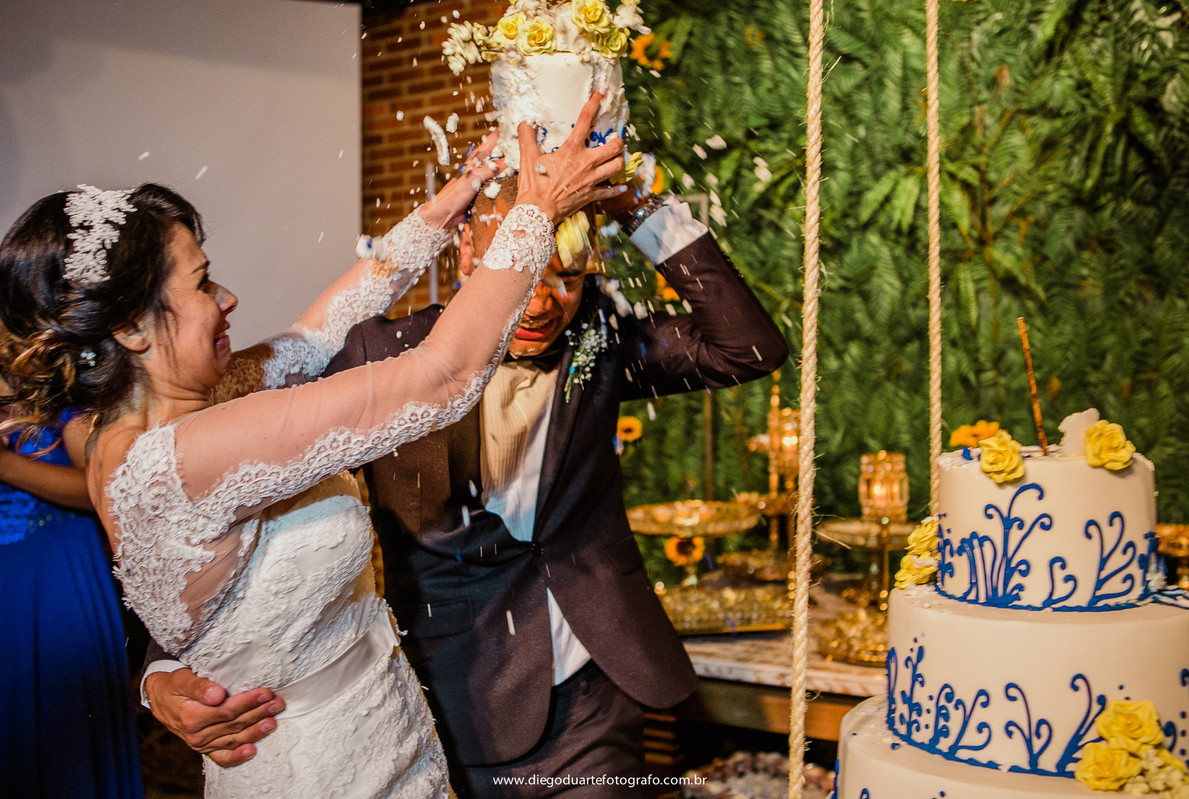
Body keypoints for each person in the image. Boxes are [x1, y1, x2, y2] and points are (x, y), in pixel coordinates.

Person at [0, 93, 626, 798]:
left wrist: (445, 207)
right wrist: (535, 214)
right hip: (322, 770)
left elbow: (316, 333)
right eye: (203, 282)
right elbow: (441, 376)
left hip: (379, 730)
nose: (229, 297)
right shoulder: (188, 455)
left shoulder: (129, 429)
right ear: (130, 329)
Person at [145, 167, 790, 795]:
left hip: (597, 688)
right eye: (523, 272)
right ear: (465, 255)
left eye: (565, 277)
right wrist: (160, 668)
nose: (539, 302)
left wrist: (637, 207)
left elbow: (749, 346)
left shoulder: (600, 338)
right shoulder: (382, 354)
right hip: (452, 696)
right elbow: (213, 499)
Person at [0, 407, 143, 798]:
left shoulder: (56, 386)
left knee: (66, 732)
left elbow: (101, 487)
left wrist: (7, 466)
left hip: (57, 577)